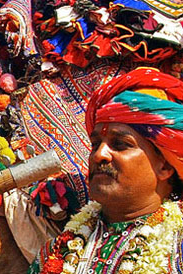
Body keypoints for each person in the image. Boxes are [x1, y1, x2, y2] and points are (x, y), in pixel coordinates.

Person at [29, 67, 183, 274]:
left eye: (120, 144)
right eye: (95, 144)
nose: (99, 155)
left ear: (164, 166)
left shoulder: (178, 247)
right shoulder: (56, 252)